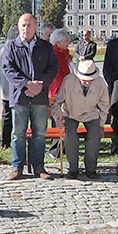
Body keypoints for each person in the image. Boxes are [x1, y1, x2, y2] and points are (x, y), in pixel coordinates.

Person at [1, 13, 58, 180]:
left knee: (39, 133)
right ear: (19, 27)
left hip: (39, 97)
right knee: (18, 133)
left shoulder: (45, 47)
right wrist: (26, 84)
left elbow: (53, 67)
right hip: (20, 97)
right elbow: (8, 69)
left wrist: (39, 85)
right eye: (23, 25)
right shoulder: (11, 47)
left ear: (35, 27)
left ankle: (38, 167)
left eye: (29, 25)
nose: (26, 29)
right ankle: (17, 167)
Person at [51, 59, 108, 179]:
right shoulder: (69, 80)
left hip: (92, 115)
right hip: (71, 114)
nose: (87, 82)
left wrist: (101, 124)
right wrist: (57, 119)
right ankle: (73, 168)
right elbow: (56, 103)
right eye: (84, 80)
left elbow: (104, 105)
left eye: (90, 80)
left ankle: (91, 169)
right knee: (70, 137)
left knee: (94, 137)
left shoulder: (100, 82)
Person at [47, 28, 74, 160]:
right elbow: (56, 77)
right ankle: (55, 150)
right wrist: (63, 92)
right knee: (59, 121)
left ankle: (58, 150)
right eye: (66, 40)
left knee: (65, 122)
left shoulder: (64, 54)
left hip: (68, 93)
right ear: (58, 42)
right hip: (59, 94)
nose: (68, 42)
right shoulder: (54, 55)